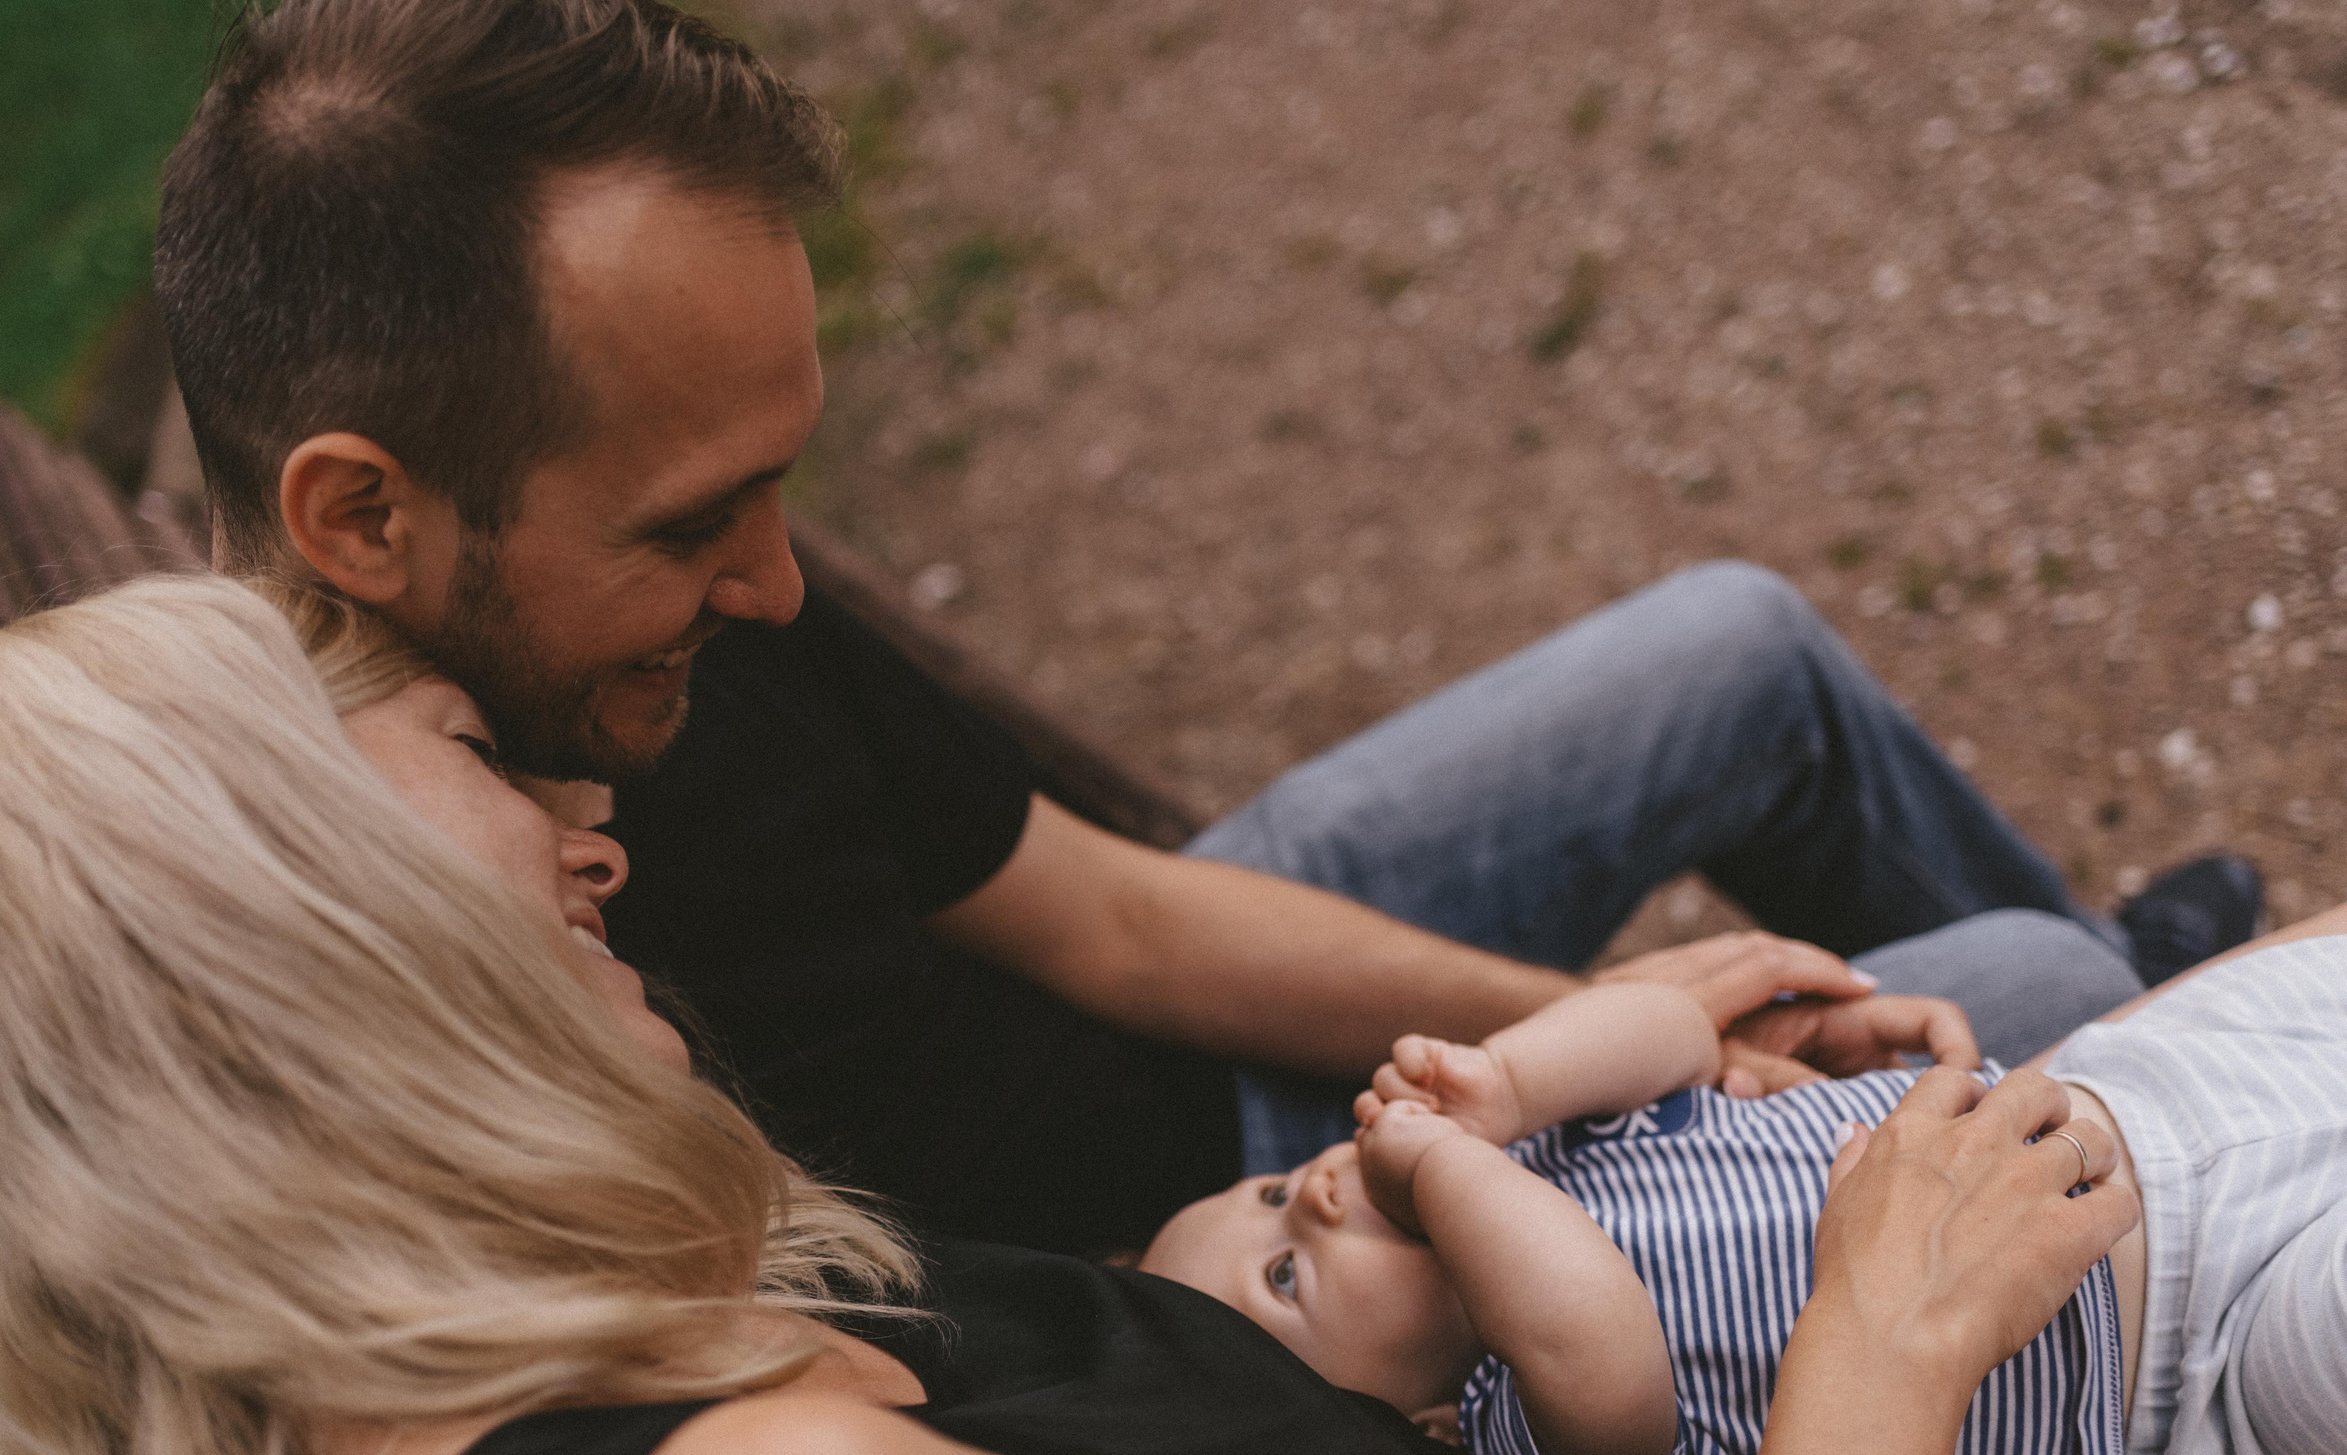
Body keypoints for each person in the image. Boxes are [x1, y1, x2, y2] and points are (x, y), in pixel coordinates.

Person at [0, 574, 2334, 1455]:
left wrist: (1554, 1101)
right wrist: (1883, 1343)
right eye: (486, 769)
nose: (592, 820)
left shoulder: (540, 1380)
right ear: (298, 932)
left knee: (2137, 1043)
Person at [150, 0, 2256, 1258]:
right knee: (2028, 981)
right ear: (361, 517)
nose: (782, 586)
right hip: (1235, 1233)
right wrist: (1570, 1089)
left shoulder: (623, 595)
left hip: (1168, 1023)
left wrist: (1641, 1038)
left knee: (1740, 646)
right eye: (701, 519)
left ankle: (2126, 1045)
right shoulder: (399, 952)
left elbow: (1118, 924)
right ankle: (2132, 1052)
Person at [1142, 937, 2347, 1455]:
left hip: (2144, 1096)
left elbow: (1674, 1035)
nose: (1307, 1192)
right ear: (1403, 1428)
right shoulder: (1520, 1425)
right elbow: (1592, 1331)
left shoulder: (1537, 1138)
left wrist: (1509, 1079)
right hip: (2193, 1361)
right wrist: (1450, 1168)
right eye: (1286, 1272)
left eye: (1267, 1191)